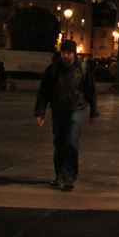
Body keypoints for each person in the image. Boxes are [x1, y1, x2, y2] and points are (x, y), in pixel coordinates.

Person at [34, 40, 99, 190]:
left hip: (76, 108)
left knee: (71, 142)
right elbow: (44, 92)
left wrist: (93, 111)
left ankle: (69, 177)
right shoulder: (53, 69)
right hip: (58, 109)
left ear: (74, 53)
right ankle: (59, 175)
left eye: (69, 53)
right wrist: (40, 112)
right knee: (59, 143)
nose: (66, 56)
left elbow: (90, 90)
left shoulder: (82, 68)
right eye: (63, 52)